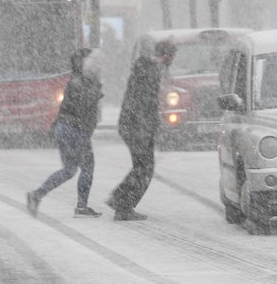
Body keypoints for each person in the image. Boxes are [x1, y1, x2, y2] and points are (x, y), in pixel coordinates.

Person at [27, 48, 105, 218]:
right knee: (87, 167)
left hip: (64, 128)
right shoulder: (83, 82)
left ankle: (37, 195)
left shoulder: (76, 79)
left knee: (69, 170)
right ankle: (81, 208)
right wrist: (97, 90)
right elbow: (83, 107)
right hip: (75, 130)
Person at [106, 41, 176, 221]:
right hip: (138, 127)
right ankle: (122, 204)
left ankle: (120, 200)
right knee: (145, 169)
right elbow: (144, 104)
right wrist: (146, 128)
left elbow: (138, 101)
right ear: (167, 56)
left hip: (131, 125)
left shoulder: (144, 68)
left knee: (141, 168)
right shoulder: (151, 72)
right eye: (172, 57)